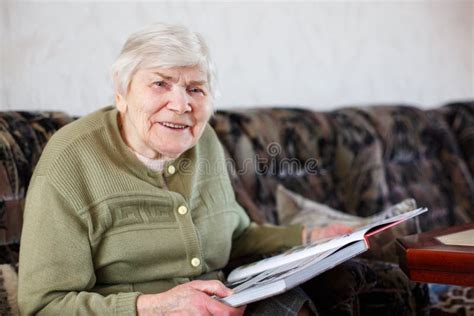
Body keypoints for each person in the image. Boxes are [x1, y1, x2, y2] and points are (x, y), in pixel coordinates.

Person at [17, 23, 352, 315]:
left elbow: (233, 236)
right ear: (122, 92)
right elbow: (45, 305)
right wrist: (155, 306)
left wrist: (313, 237)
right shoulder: (69, 161)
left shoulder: (204, 142)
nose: (181, 105)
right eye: (160, 84)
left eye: (195, 89)